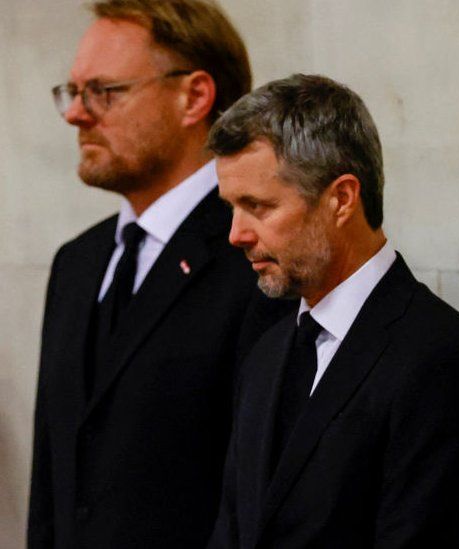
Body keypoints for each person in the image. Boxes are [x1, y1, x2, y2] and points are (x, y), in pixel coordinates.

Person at [29, 2, 290, 547]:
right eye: (73, 92)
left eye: (104, 91)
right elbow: (52, 486)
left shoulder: (259, 260)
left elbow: (260, 493)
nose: (75, 114)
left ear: (193, 97)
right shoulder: (77, 263)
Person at [206, 73, 459, 548]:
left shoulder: (440, 357)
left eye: (258, 206)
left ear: (341, 199)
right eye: (232, 207)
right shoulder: (267, 354)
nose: (235, 234)